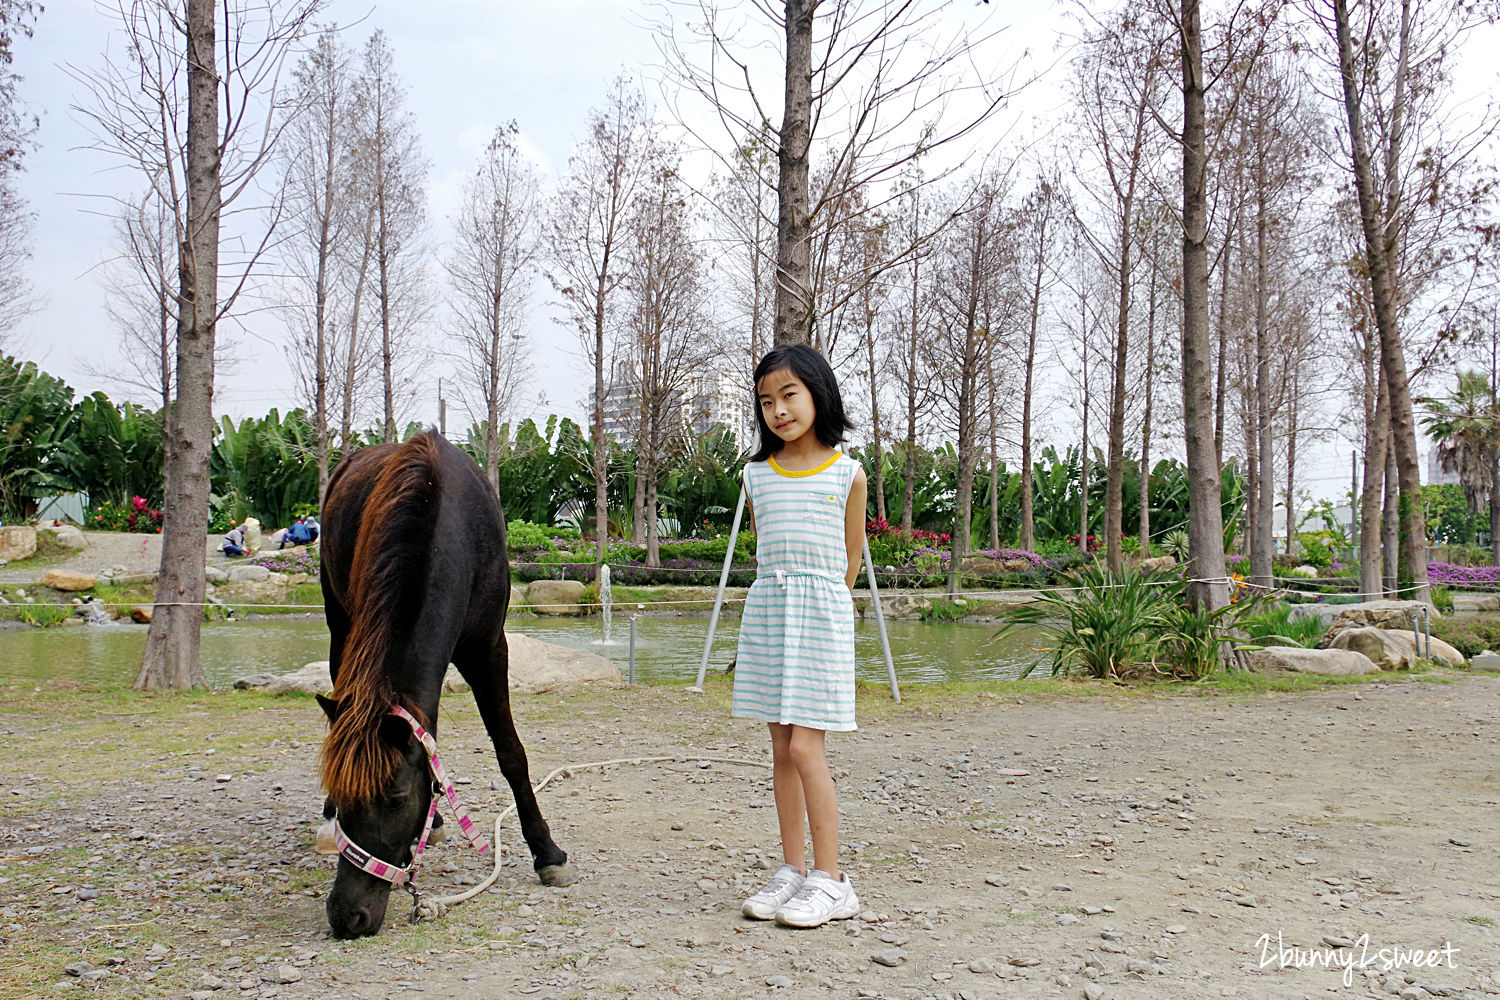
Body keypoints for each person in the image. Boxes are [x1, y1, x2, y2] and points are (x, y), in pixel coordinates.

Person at [734, 343, 867, 929]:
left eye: (789, 395)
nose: (779, 410)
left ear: (818, 393)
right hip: (769, 616)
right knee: (779, 750)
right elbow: (768, 552)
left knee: (805, 748)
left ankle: (832, 881)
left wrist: (821, 616)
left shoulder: (847, 472)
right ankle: (792, 870)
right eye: (766, 401)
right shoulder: (756, 475)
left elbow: (848, 565)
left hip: (820, 621)